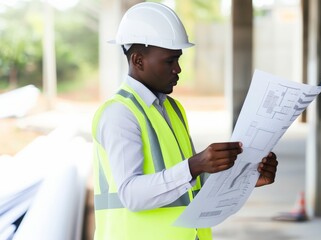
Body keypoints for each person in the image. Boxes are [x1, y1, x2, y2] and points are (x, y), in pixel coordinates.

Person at [91, 2, 278, 240]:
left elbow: (189, 184)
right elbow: (132, 195)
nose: (178, 69)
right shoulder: (119, 114)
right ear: (138, 61)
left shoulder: (172, 109)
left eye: (178, 59)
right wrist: (195, 165)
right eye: (169, 61)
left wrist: (247, 177)